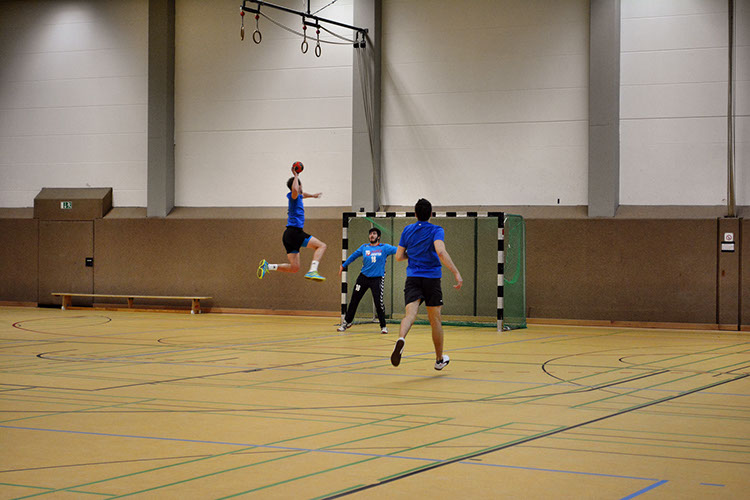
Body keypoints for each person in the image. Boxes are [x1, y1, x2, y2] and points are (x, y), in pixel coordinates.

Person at [391, 198, 462, 370]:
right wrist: (455, 272)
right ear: (431, 213)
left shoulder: (407, 230)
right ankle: (439, 359)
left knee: (410, 315)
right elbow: (441, 251)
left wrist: (413, 255)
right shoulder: (436, 230)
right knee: (435, 320)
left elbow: (399, 256)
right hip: (431, 279)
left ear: (415, 214)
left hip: (413, 278)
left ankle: (401, 338)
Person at [257, 163, 327, 281]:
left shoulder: (298, 196)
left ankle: (267, 266)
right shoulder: (293, 196)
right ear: (298, 185)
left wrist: (313, 196)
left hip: (289, 236)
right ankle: (312, 271)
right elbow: (295, 190)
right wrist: (296, 175)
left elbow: (303, 194)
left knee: (294, 268)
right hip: (295, 233)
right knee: (321, 246)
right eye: (300, 185)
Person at [337, 227, 397, 334]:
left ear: (378, 237)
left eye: (374, 234)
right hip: (363, 278)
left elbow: (399, 250)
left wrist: (411, 251)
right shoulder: (364, 247)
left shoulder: (385, 247)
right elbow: (353, 256)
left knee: (378, 302)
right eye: (370, 234)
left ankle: (383, 326)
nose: (371, 235)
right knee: (354, 299)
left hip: (377, 279)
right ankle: (346, 322)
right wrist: (343, 265)